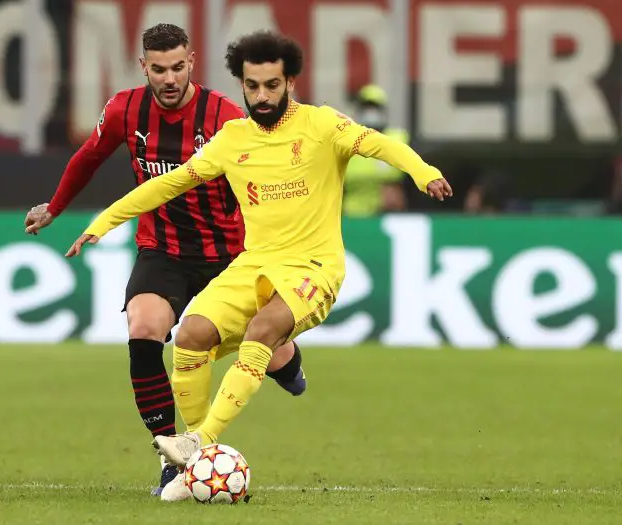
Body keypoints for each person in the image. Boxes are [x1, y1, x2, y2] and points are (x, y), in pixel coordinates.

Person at [66, 29, 451, 500]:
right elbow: (168, 185)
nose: (262, 96)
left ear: (290, 81)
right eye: (252, 86)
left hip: (313, 267)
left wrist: (425, 173)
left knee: (262, 331)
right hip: (253, 264)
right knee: (190, 336)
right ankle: (196, 460)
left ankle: (199, 443)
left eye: (272, 85)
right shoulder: (233, 139)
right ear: (242, 85)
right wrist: (104, 222)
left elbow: (382, 146)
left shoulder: (323, 125)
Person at [23, 24, 306, 497]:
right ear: (144, 67)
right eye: (159, 69)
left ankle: (287, 360)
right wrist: (56, 207)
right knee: (144, 327)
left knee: (268, 343)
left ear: (192, 62)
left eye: (178, 67)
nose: (170, 78)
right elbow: (90, 156)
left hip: (229, 250)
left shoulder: (223, 115)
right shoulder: (124, 109)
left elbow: (266, 169)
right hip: (164, 249)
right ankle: (172, 458)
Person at [343, 84, 409, 216]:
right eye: (366, 107)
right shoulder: (346, 142)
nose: (370, 112)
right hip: (351, 216)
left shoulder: (397, 138)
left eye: (374, 108)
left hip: (386, 213)